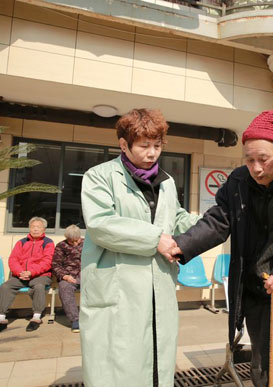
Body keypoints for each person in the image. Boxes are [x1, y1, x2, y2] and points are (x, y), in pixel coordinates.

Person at [160, 109, 273, 386]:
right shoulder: (237, 183)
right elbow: (217, 221)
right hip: (258, 295)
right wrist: (182, 244)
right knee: (261, 372)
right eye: (249, 160)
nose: (256, 168)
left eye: (263, 159)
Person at [80, 108, 200, 387]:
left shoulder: (167, 183)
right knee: (119, 366)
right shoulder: (99, 176)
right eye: (145, 146)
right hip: (118, 288)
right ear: (124, 144)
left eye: (157, 146)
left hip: (158, 285)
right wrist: (155, 238)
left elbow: (176, 218)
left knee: (157, 363)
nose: (153, 153)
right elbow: (100, 224)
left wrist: (212, 222)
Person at [0, 217, 54, 334]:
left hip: (40, 275)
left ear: (44, 229)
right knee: (5, 286)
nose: (35, 229)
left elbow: (47, 261)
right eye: (33, 227)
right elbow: (13, 259)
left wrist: (31, 272)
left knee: (39, 286)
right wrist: (20, 272)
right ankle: (1, 319)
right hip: (20, 276)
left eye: (38, 227)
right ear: (29, 228)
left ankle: (36, 317)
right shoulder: (21, 242)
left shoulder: (48, 242)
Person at [52, 224, 83, 332]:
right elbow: (55, 265)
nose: (75, 243)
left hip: (86, 275)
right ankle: (75, 320)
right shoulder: (61, 246)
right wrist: (65, 276)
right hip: (69, 276)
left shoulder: (87, 244)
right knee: (64, 287)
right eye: (71, 241)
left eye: (77, 240)